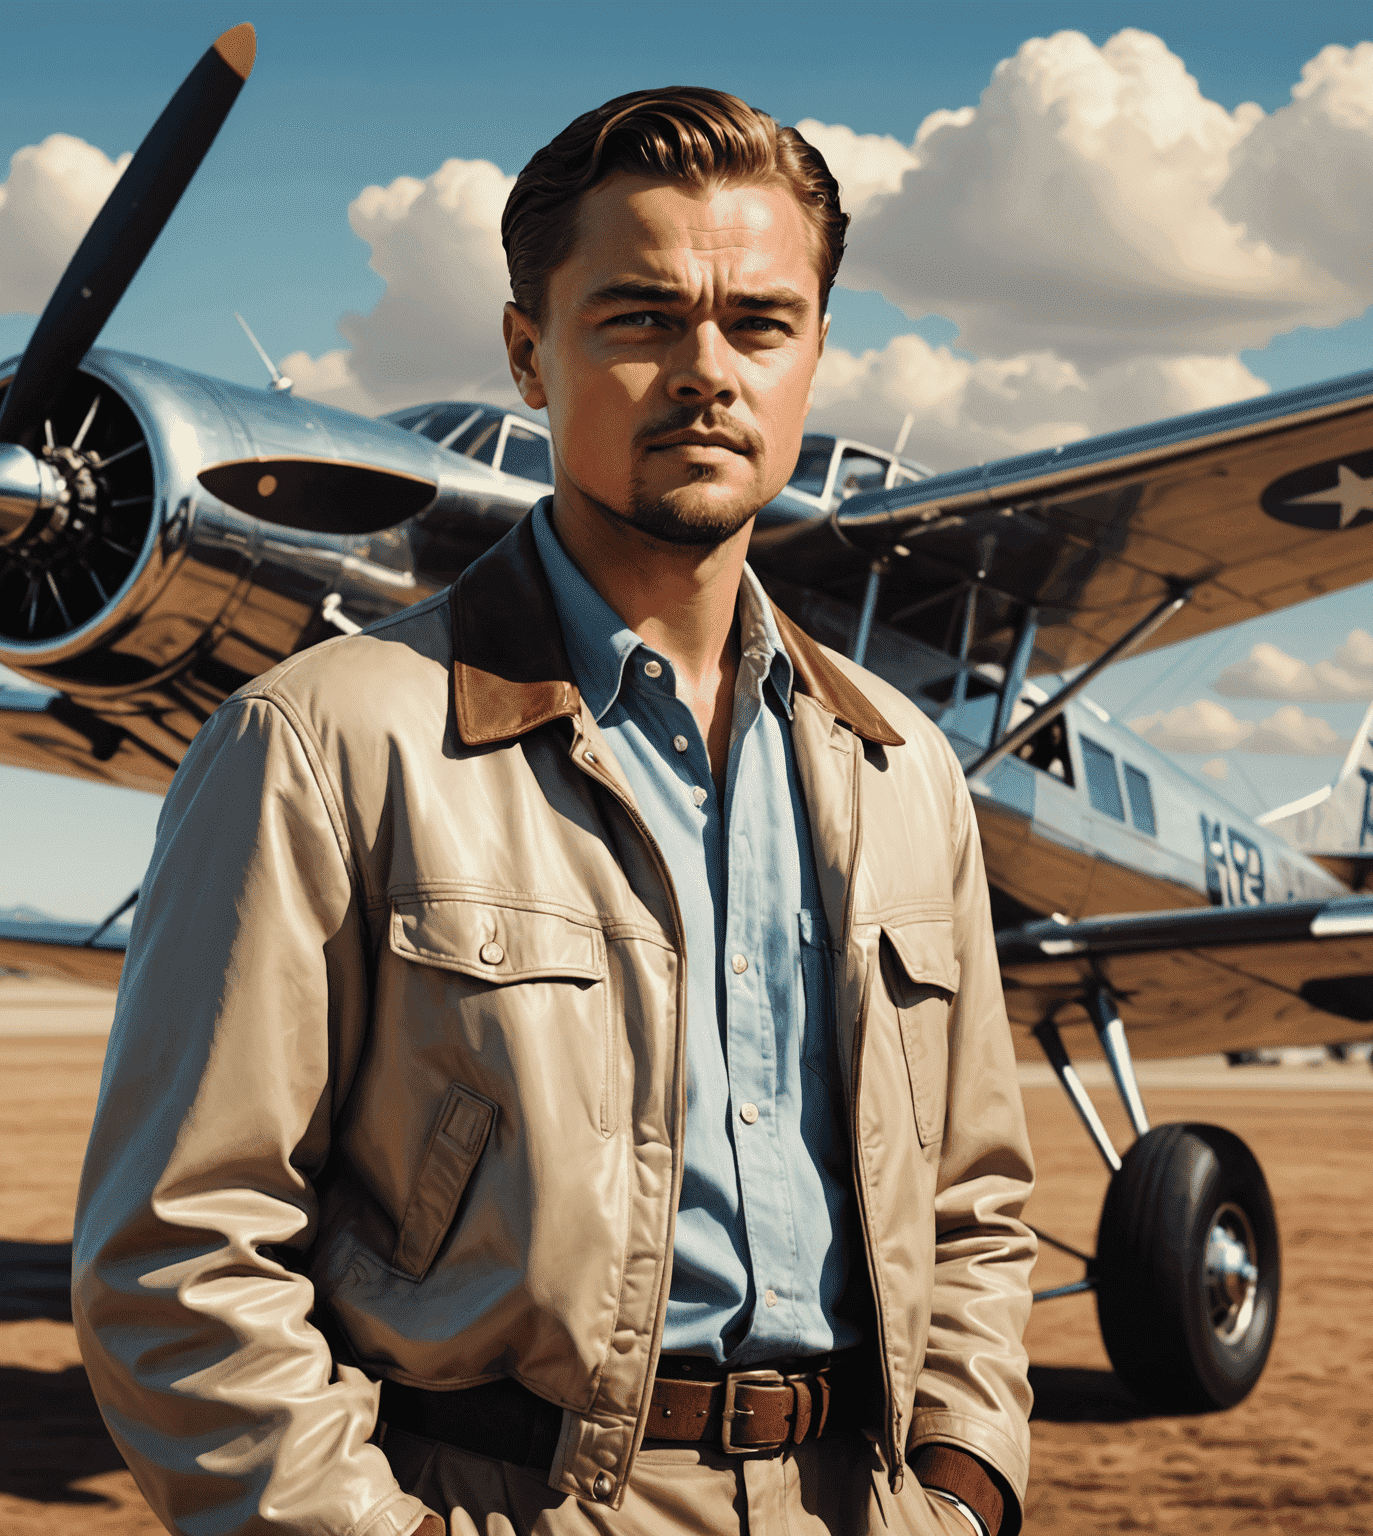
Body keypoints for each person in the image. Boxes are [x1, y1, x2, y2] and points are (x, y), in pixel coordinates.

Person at [73, 87, 1036, 1536]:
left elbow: (973, 1207)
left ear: (814, 356)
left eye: (761, 324)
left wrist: (965, 1489)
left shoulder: (900, 762)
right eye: (641, 317)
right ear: (528, 352)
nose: (707, 373)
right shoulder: (321, 740)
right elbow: (179, 1260)